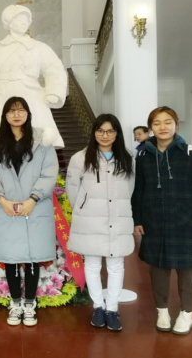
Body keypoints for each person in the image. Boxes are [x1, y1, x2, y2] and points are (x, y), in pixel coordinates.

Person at [132, 106, 192, 335]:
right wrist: (138, 219)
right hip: (155, 221)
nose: (162, 127)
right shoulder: (144, 155)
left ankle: (186, 313)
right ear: (151, 127)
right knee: (158, 268)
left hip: (187, 221)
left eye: (167, 122)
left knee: (188, 270)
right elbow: (139, 190)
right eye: (157, 123)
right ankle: (162, 311)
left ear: (176, 124)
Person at [0, 97, 58, 327]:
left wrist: (34, 198)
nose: (16, 115)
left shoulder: (42, 142)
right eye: (11, 111)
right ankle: (16, 303)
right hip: (6, 208)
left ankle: (30, 303)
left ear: (28, 113)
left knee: (33, 257)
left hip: (36, 208)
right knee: (12, 258)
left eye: (21, 110)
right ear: (4, 116)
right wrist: (0, 199)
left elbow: (49, 173)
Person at [66, 114, 135, 331]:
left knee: (116, 265)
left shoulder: (127, 158)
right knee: (92, 264)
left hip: (118, 218)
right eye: (100, 130)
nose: (105, 135)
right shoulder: (80, 158)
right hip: (90, 220)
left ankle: (112, 309)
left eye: (110, 131)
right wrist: (83, 209)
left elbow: (130, 189)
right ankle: (98, 307)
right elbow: (72, 190)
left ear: (117, 134)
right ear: (94, 132)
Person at [0, 5, 68, 148]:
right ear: (9, 23)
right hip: (2, 95)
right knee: (2, 137)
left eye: (26, 19)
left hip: (32, 95)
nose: (24, 22)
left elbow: (54, 70)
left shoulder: (39, 47)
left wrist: (53, 92)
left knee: (36, 135)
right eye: (19, 19)